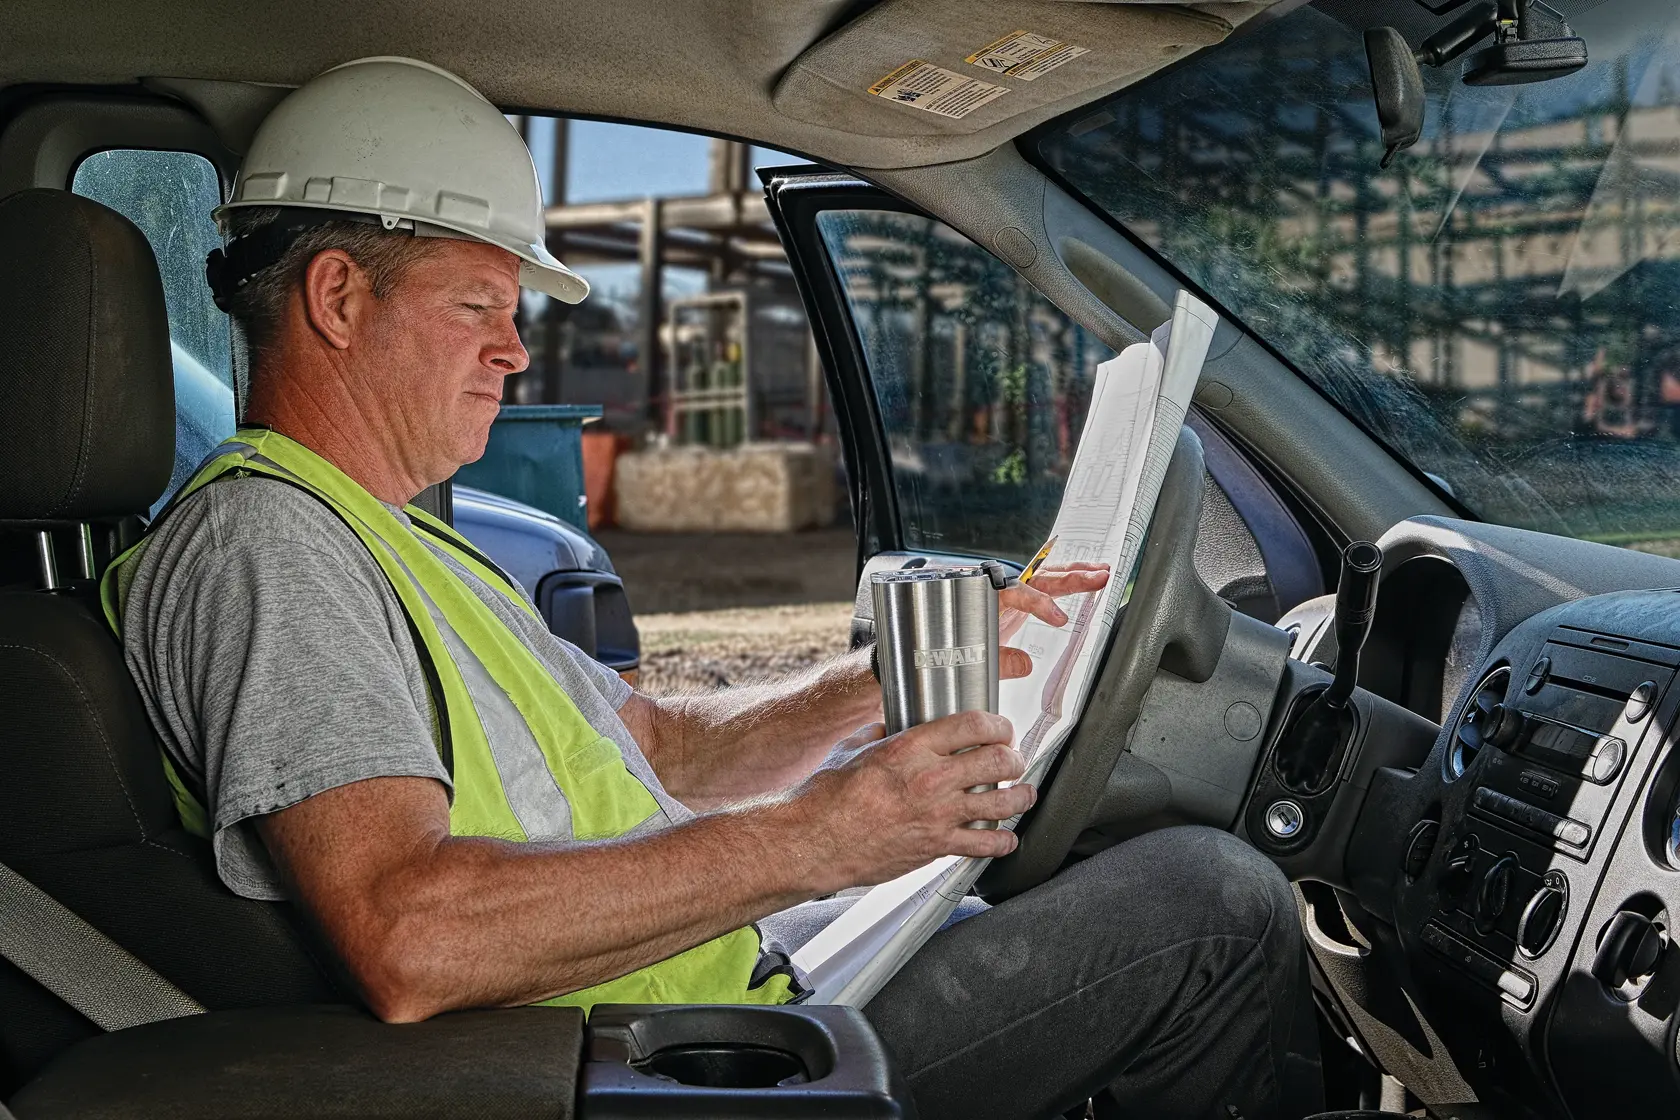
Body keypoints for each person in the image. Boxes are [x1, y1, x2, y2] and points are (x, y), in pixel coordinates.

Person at [108, 56, 1319, 1120]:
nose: (516, 349)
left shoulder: (400, 542)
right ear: (335, 298)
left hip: (707, 1006)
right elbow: (409, 933)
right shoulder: (265, 548)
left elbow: (664, 748)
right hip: (643, 1069)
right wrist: (818, 838)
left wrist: (880, 680)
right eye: (478, 304)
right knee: (1214, 903)